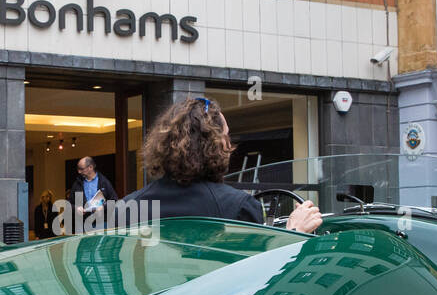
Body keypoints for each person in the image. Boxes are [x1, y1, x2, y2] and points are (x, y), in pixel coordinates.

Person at [123, 97, 322, 233]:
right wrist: (294, 231)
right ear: (215, 144)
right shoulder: (238, 208)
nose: (230, 144)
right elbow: (255, 278)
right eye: (226, 135)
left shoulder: (128, 207)